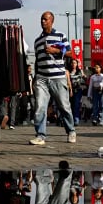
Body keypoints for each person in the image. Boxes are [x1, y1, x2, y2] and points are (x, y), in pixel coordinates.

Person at [30, 12, 76, 145]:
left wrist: (56, 51)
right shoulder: (37, 41)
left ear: (52, 21)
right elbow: (38, 61)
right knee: (40, 106)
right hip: (42, 78)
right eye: (41, 19)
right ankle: (40, 135)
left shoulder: (60, 36)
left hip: (58, 77)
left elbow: (71, 53)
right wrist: (35, 79)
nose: (43, 21)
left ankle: (71, 131)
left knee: (64, 106)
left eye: (45, 19)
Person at [67, 58, 87, 126]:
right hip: (70, 90)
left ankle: (76, 119)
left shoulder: (79, 71)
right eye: (72, 63)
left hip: (78, 90)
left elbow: (85, 78)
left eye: (75, 63)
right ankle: (71, 119)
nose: (73, 64)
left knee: (76, 104)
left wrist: (84, 76)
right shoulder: (68, 72)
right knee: (71, 105)